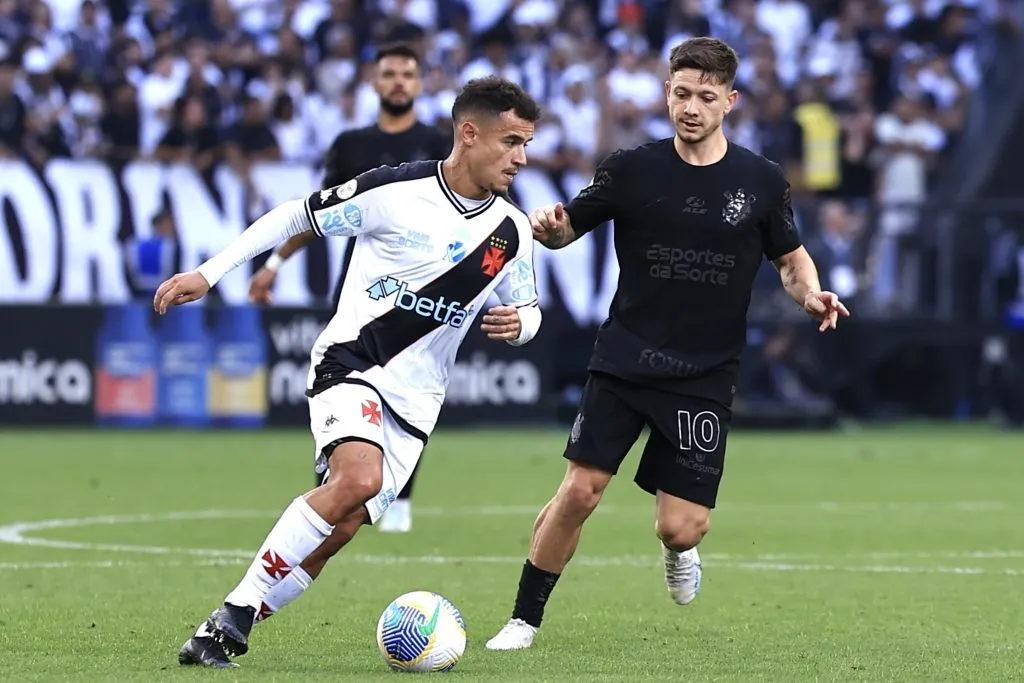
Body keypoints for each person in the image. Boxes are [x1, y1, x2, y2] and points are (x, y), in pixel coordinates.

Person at [159, 76, 543, 668]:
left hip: (418, 402)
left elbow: (530, 305)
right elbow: (295, 217)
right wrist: (209, 275)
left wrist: (523, 325)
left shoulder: (511, 232)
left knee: (336, 531)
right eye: (512, 141)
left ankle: (223, 628)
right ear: (470, 133)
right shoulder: (395, 192)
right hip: (353, 363)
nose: (522, 158)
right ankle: (236, 611)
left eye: (527, 145)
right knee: (357, 480)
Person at [485, 37, 849, 651]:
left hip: (704, 373)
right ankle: (523, 619)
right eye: (682, 93)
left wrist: (810, 294)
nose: (691, 107)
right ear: (666, 92)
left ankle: (679, 552)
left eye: (706, 97)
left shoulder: (761, 181)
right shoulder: (632, 168)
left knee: (681, 528)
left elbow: (790, 260)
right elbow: (567, 229)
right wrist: (549, 230)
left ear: (730, 101)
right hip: (625, 356)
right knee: (579, 490)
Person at [249, 43, 451, 534]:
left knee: (409, 387)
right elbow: (316, 213)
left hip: (424, 291)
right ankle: (336, 466)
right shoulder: (351, 145)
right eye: (390, 73)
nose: (399, 81)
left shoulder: (440, 143)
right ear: (374, 82)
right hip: (361, 287)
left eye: (408, 73)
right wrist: (275, 262)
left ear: (420, 83)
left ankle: (400, 494)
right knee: (341, 374)